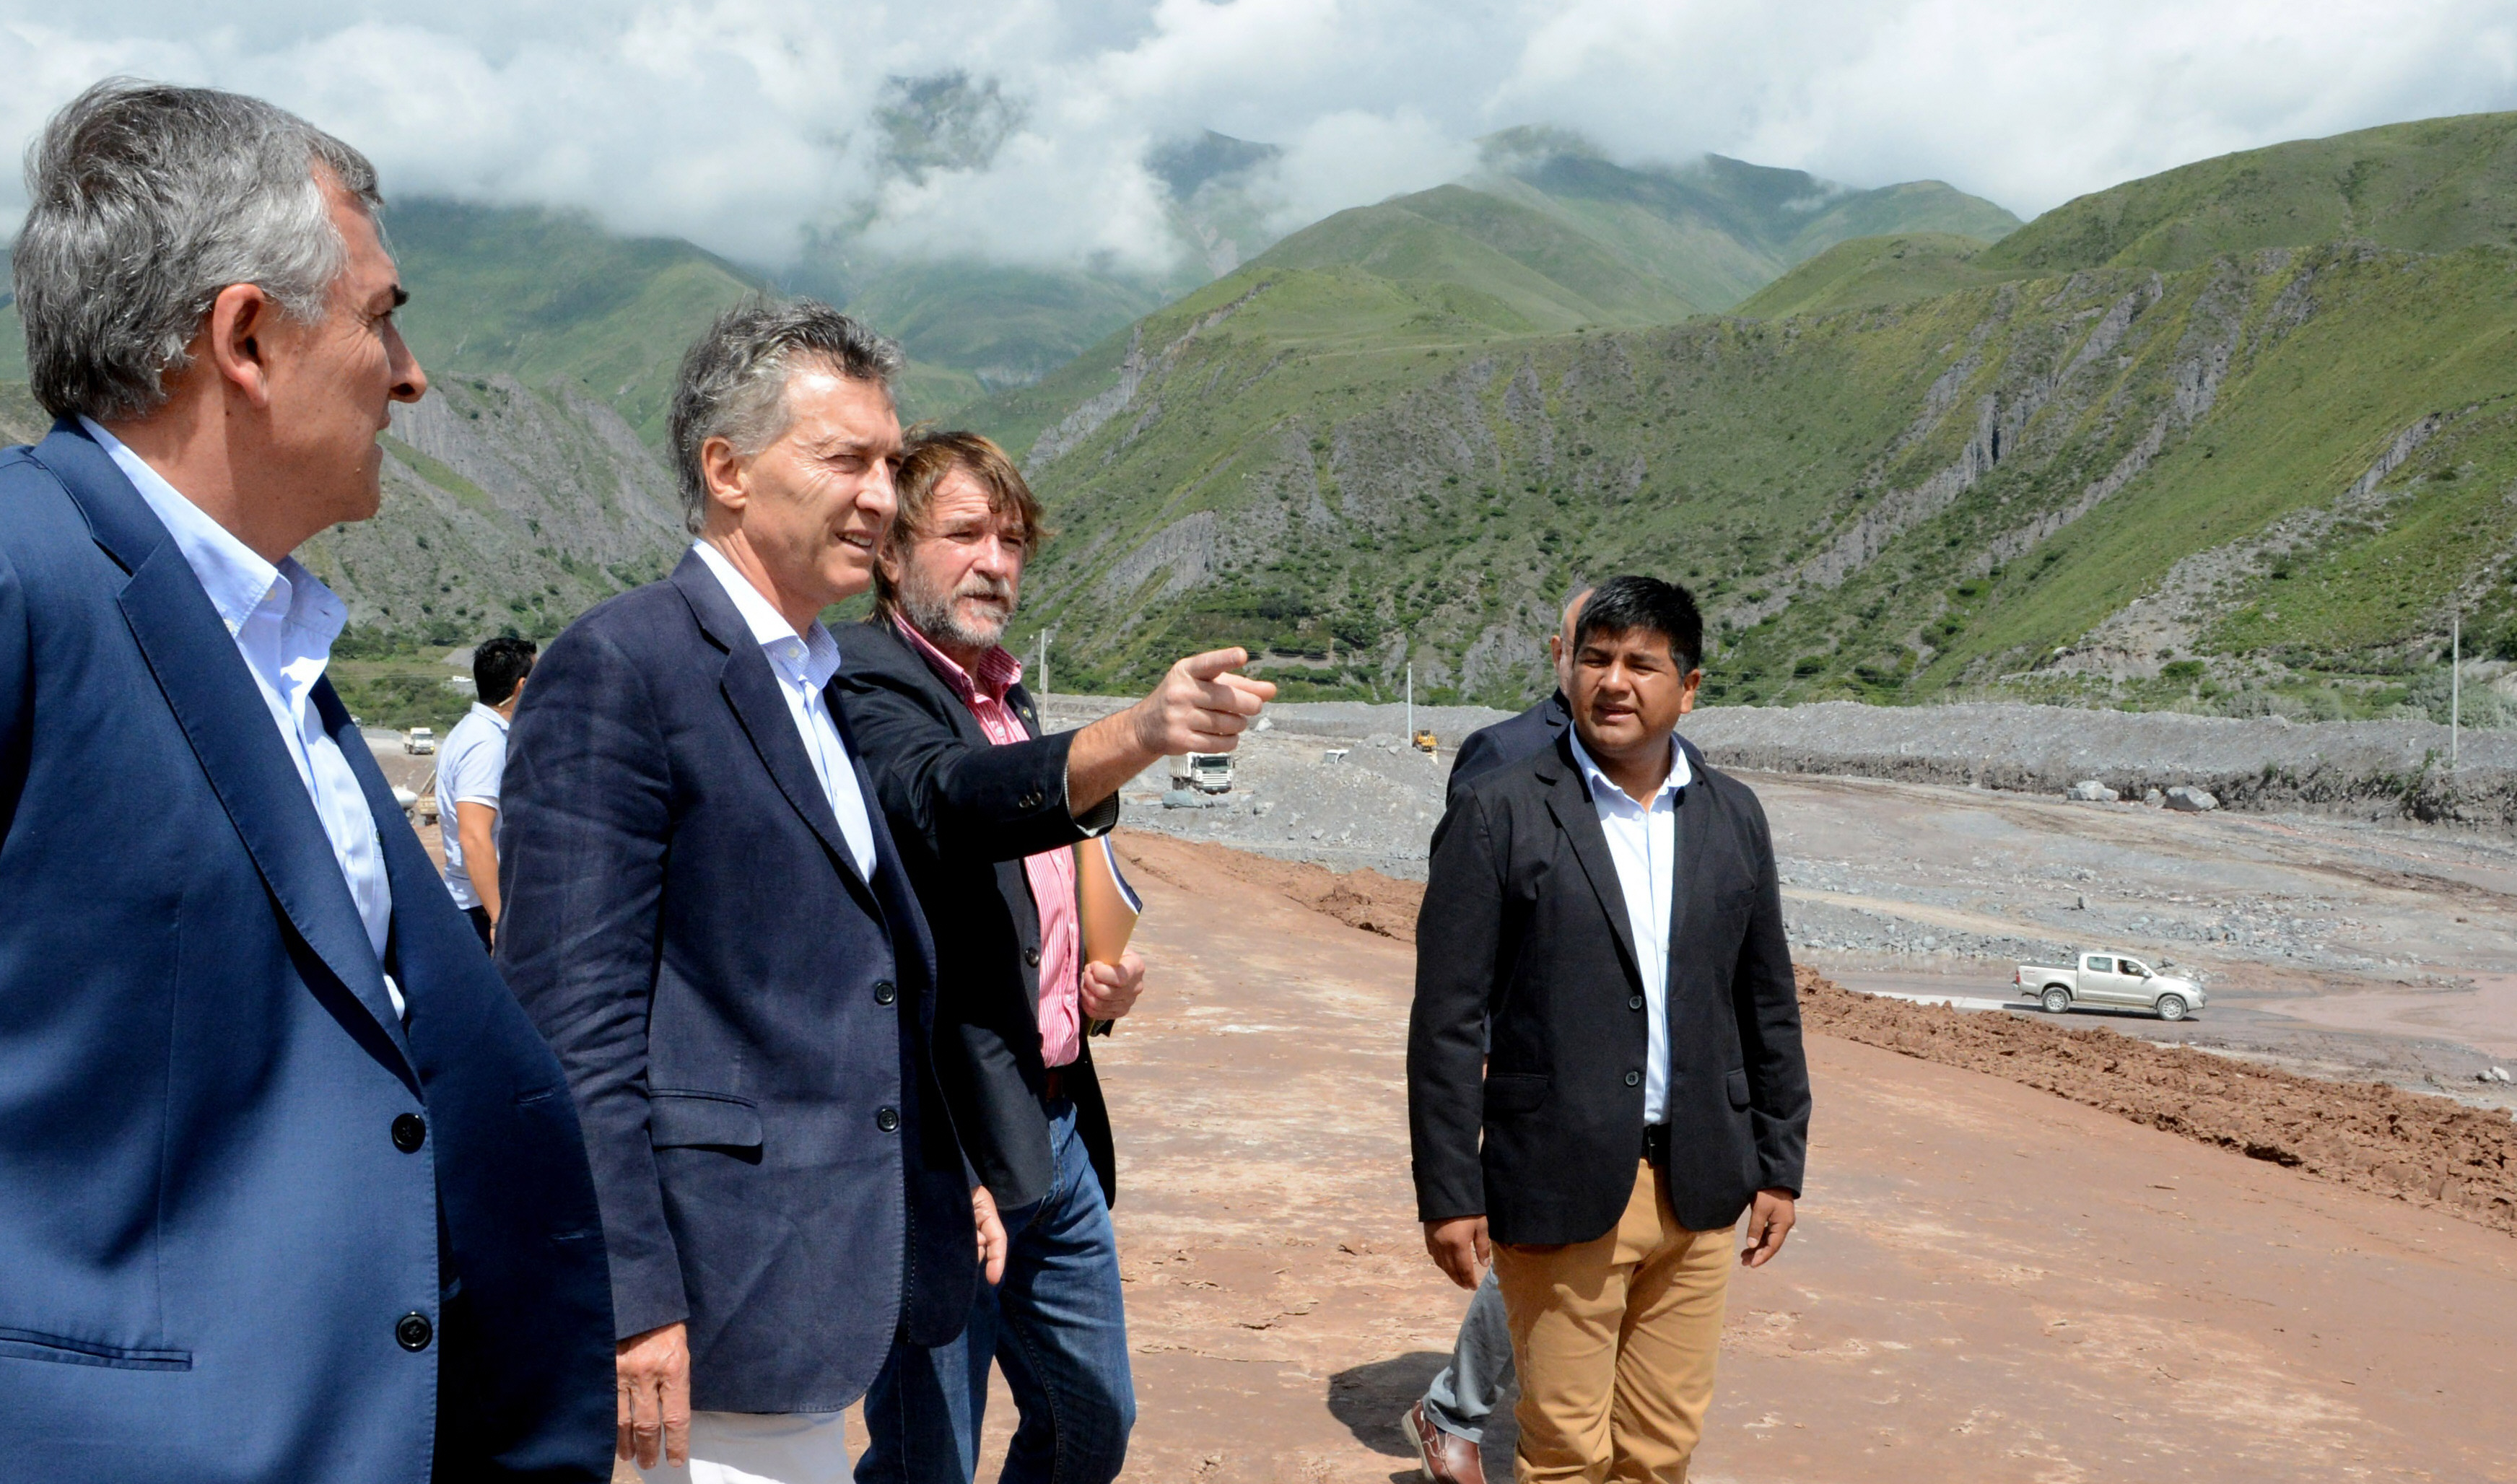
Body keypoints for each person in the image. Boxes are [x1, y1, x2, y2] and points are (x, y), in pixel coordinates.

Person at [0, 80, 614, 1479]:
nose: (410, 373)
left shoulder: (270, 644)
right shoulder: (22, 579)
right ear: (246, 338)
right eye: (380, 316)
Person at [497, 301, 995, 1484]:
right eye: (845, 460)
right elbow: (569, 1025)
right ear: (727, 470)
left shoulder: (812, 680)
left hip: (814, 1289)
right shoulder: (624, 666)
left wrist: (943, 1170)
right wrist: (630, 1297)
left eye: (890, 464)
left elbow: (849, 980)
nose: (880, 497)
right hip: (702, 1322)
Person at [836, 430, 1273, 1483]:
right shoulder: (860, 680)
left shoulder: (1005, 697)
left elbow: (1017, 895)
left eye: (1013, 540)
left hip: (1057, 1125)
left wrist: (1084, 986)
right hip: (947, 1148)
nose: (995, 562)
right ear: (891, 553)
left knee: (1091, 1425)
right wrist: (1144, 730)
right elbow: (948, 802)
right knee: (928, 1457)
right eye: (965, 534)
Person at [1409, 575, 1811, 1483]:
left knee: (1660, 1448)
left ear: (1689, 687)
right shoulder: (1502, 808)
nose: (1614, 682)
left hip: (1701, 1180)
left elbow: (1766, 1000)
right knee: (1566, 1450)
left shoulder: (1732, 815)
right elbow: (1445, 1019)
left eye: (1640, 663)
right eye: (1595, 659)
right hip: (1559, 1178)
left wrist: (1779, 1162)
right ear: (1569, 668)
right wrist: (1449, 1188)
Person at [437, 634, 536, 948]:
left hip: (477, 905)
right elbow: (474, 837)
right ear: (522, 687)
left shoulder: (472, 732)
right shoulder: (486, 745)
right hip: (480, 911)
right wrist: (498, 918)